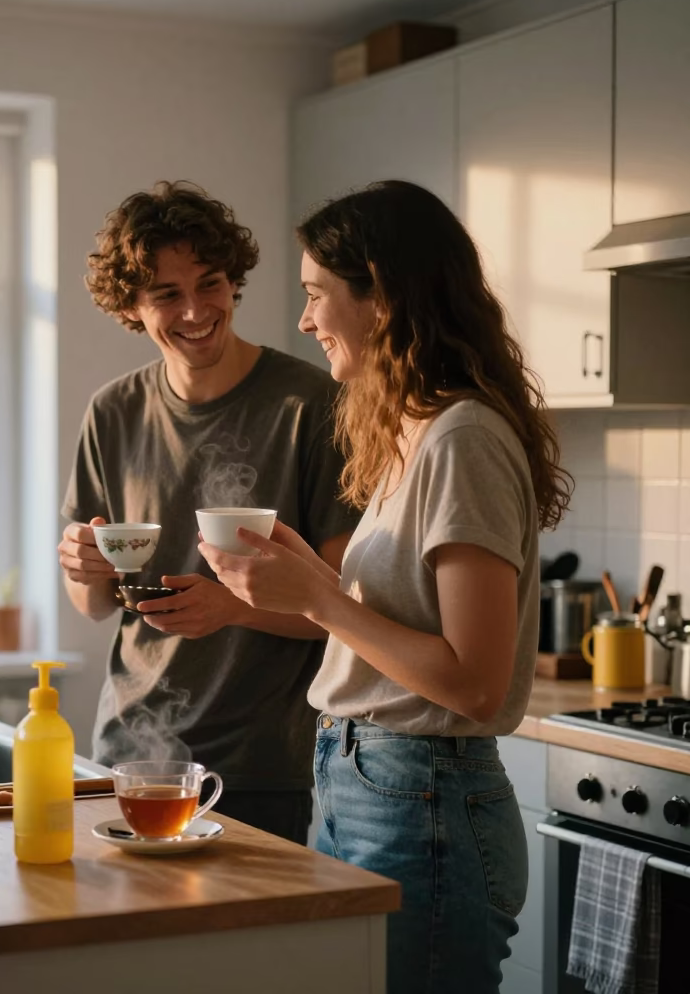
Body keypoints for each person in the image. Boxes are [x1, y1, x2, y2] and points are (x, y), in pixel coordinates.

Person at [201, 180, 571, 992]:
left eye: (316, 296)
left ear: (384, 295)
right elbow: (401, 625)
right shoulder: (418, 431)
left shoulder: (463, 438)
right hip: (365, 780)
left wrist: (319, 598)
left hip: (420, 794)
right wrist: (306, 576)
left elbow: (473, 683)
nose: (304, 321)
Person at [58, 181, 356, 845]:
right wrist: (83, 566)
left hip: (262, 763)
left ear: (233, 282)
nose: (196, 310)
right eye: (166, 294)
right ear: (132, 308)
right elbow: (95, 605)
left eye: (211, 283)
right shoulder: (113, 412)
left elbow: (345, 605)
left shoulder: (309, 404)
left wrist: (232, 608)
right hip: (130, 753)